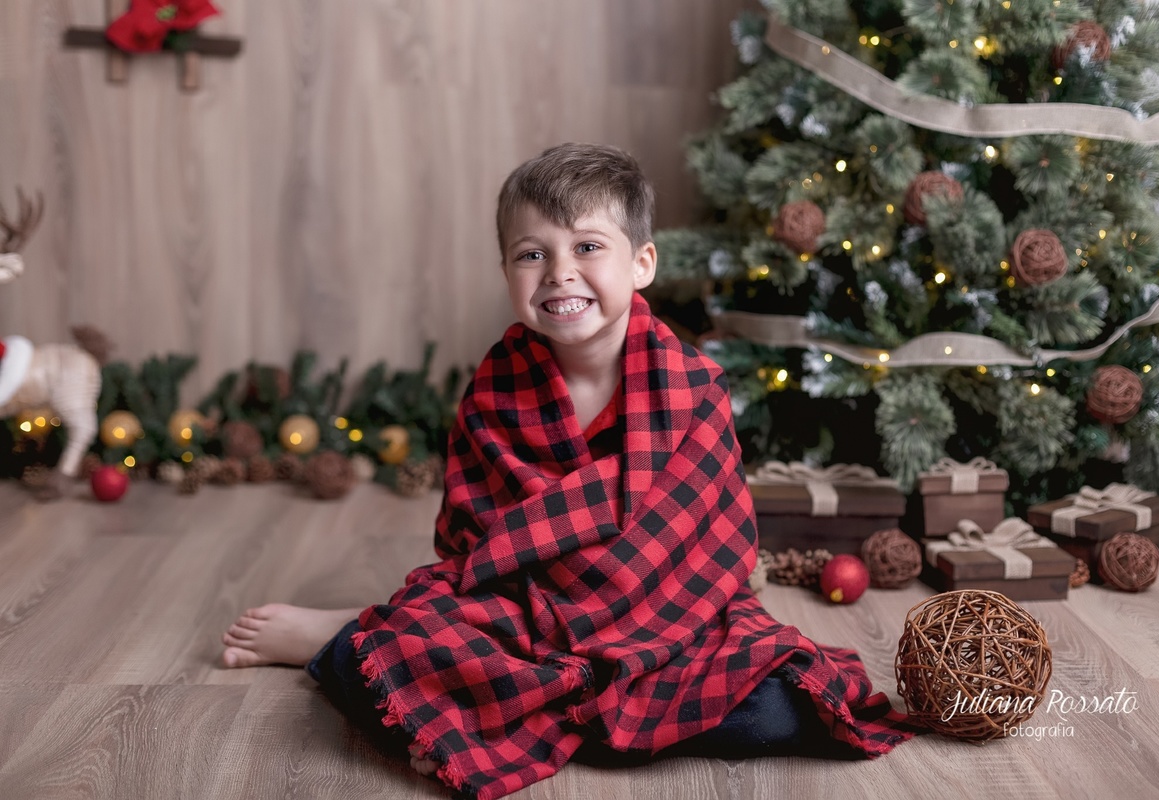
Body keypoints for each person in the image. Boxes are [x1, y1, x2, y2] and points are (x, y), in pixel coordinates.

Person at [221, 143, 915, 799]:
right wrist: (537, 622)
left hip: (674, 619)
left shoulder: (692, 388)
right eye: (532, 254)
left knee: (774, 705)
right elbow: (472, 544)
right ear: (506, 274)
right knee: (390, 651)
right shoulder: (497, 390)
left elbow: (713, 546)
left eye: (587, 247)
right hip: (523, 613)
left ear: (642, 263)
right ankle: (356, 639)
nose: (559, 271)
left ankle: (519, 708)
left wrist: (615, 626)